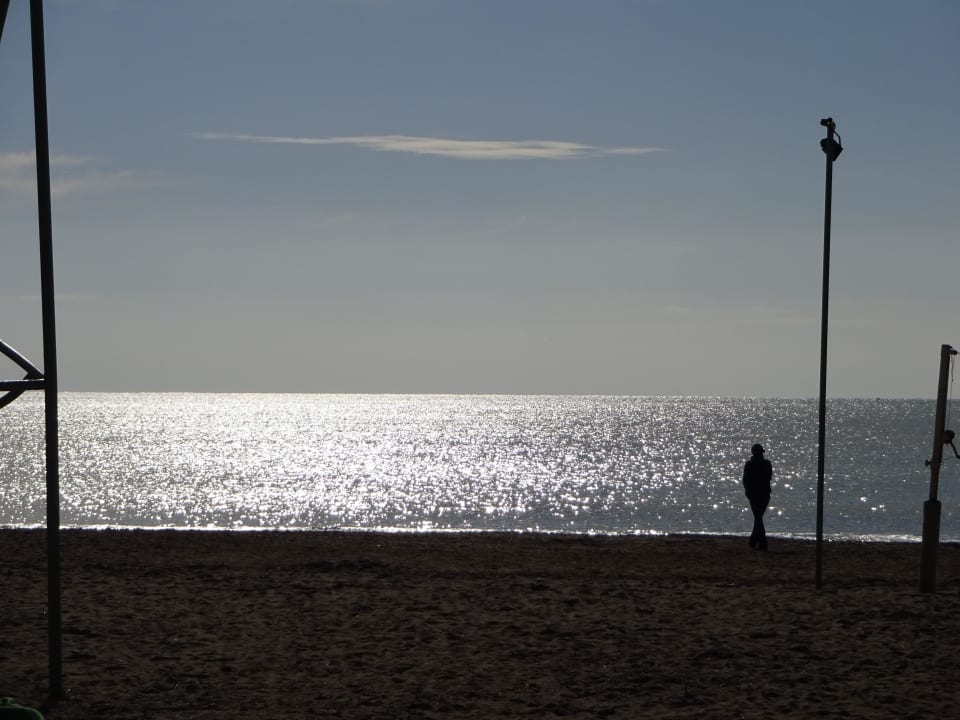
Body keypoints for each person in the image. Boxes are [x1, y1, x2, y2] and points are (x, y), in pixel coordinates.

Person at [743, 443, 772, 550]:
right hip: (763, 494)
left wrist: (748, 491)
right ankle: (757, 540)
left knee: (758, 517)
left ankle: (757, 540)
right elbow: (768, 478)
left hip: (754, 495)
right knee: (758, 517)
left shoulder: (749, 465)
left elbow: (745, 481)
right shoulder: (766, 464)